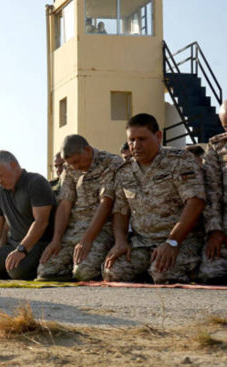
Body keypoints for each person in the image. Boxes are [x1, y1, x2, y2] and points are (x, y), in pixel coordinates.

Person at [103, 113, 205, 284]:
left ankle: (188, 267)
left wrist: (172, 242)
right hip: (142, 243)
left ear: (158, 136)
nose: (136, 145)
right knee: (113, 271)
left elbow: (195, 202)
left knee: (162, 274)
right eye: (131, 140)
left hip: (180, 240)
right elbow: (120, 212)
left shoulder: (180, 161)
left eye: (142, 139)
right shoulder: (124, 171)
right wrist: (120, 242)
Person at [36, 135, 124, 281]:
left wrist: (87, 239)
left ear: (88, 150)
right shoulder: (69, 168)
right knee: (46, 270)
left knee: (84, 272)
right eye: (71, 164)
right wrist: (56, 239)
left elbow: (106, 203)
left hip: (100, 230)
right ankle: (69, 271)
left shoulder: (110, 163)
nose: (75, 167)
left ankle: (89, 269)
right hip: (74, 230)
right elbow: (65, 204)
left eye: (77, 161)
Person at [0, 150, 55, 280]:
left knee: (16, 271)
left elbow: (41, 222)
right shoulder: (0, 192)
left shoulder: (36, 182)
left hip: (37, 244)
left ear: (13, 165)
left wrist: (22, 249)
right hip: (13, 244)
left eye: (1, 176)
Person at [199, 100, 227, 283]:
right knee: (210, 271)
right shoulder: (217, 147)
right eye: (226, 126)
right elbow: (212, 192)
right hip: (225, 225)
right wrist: (215, 230)